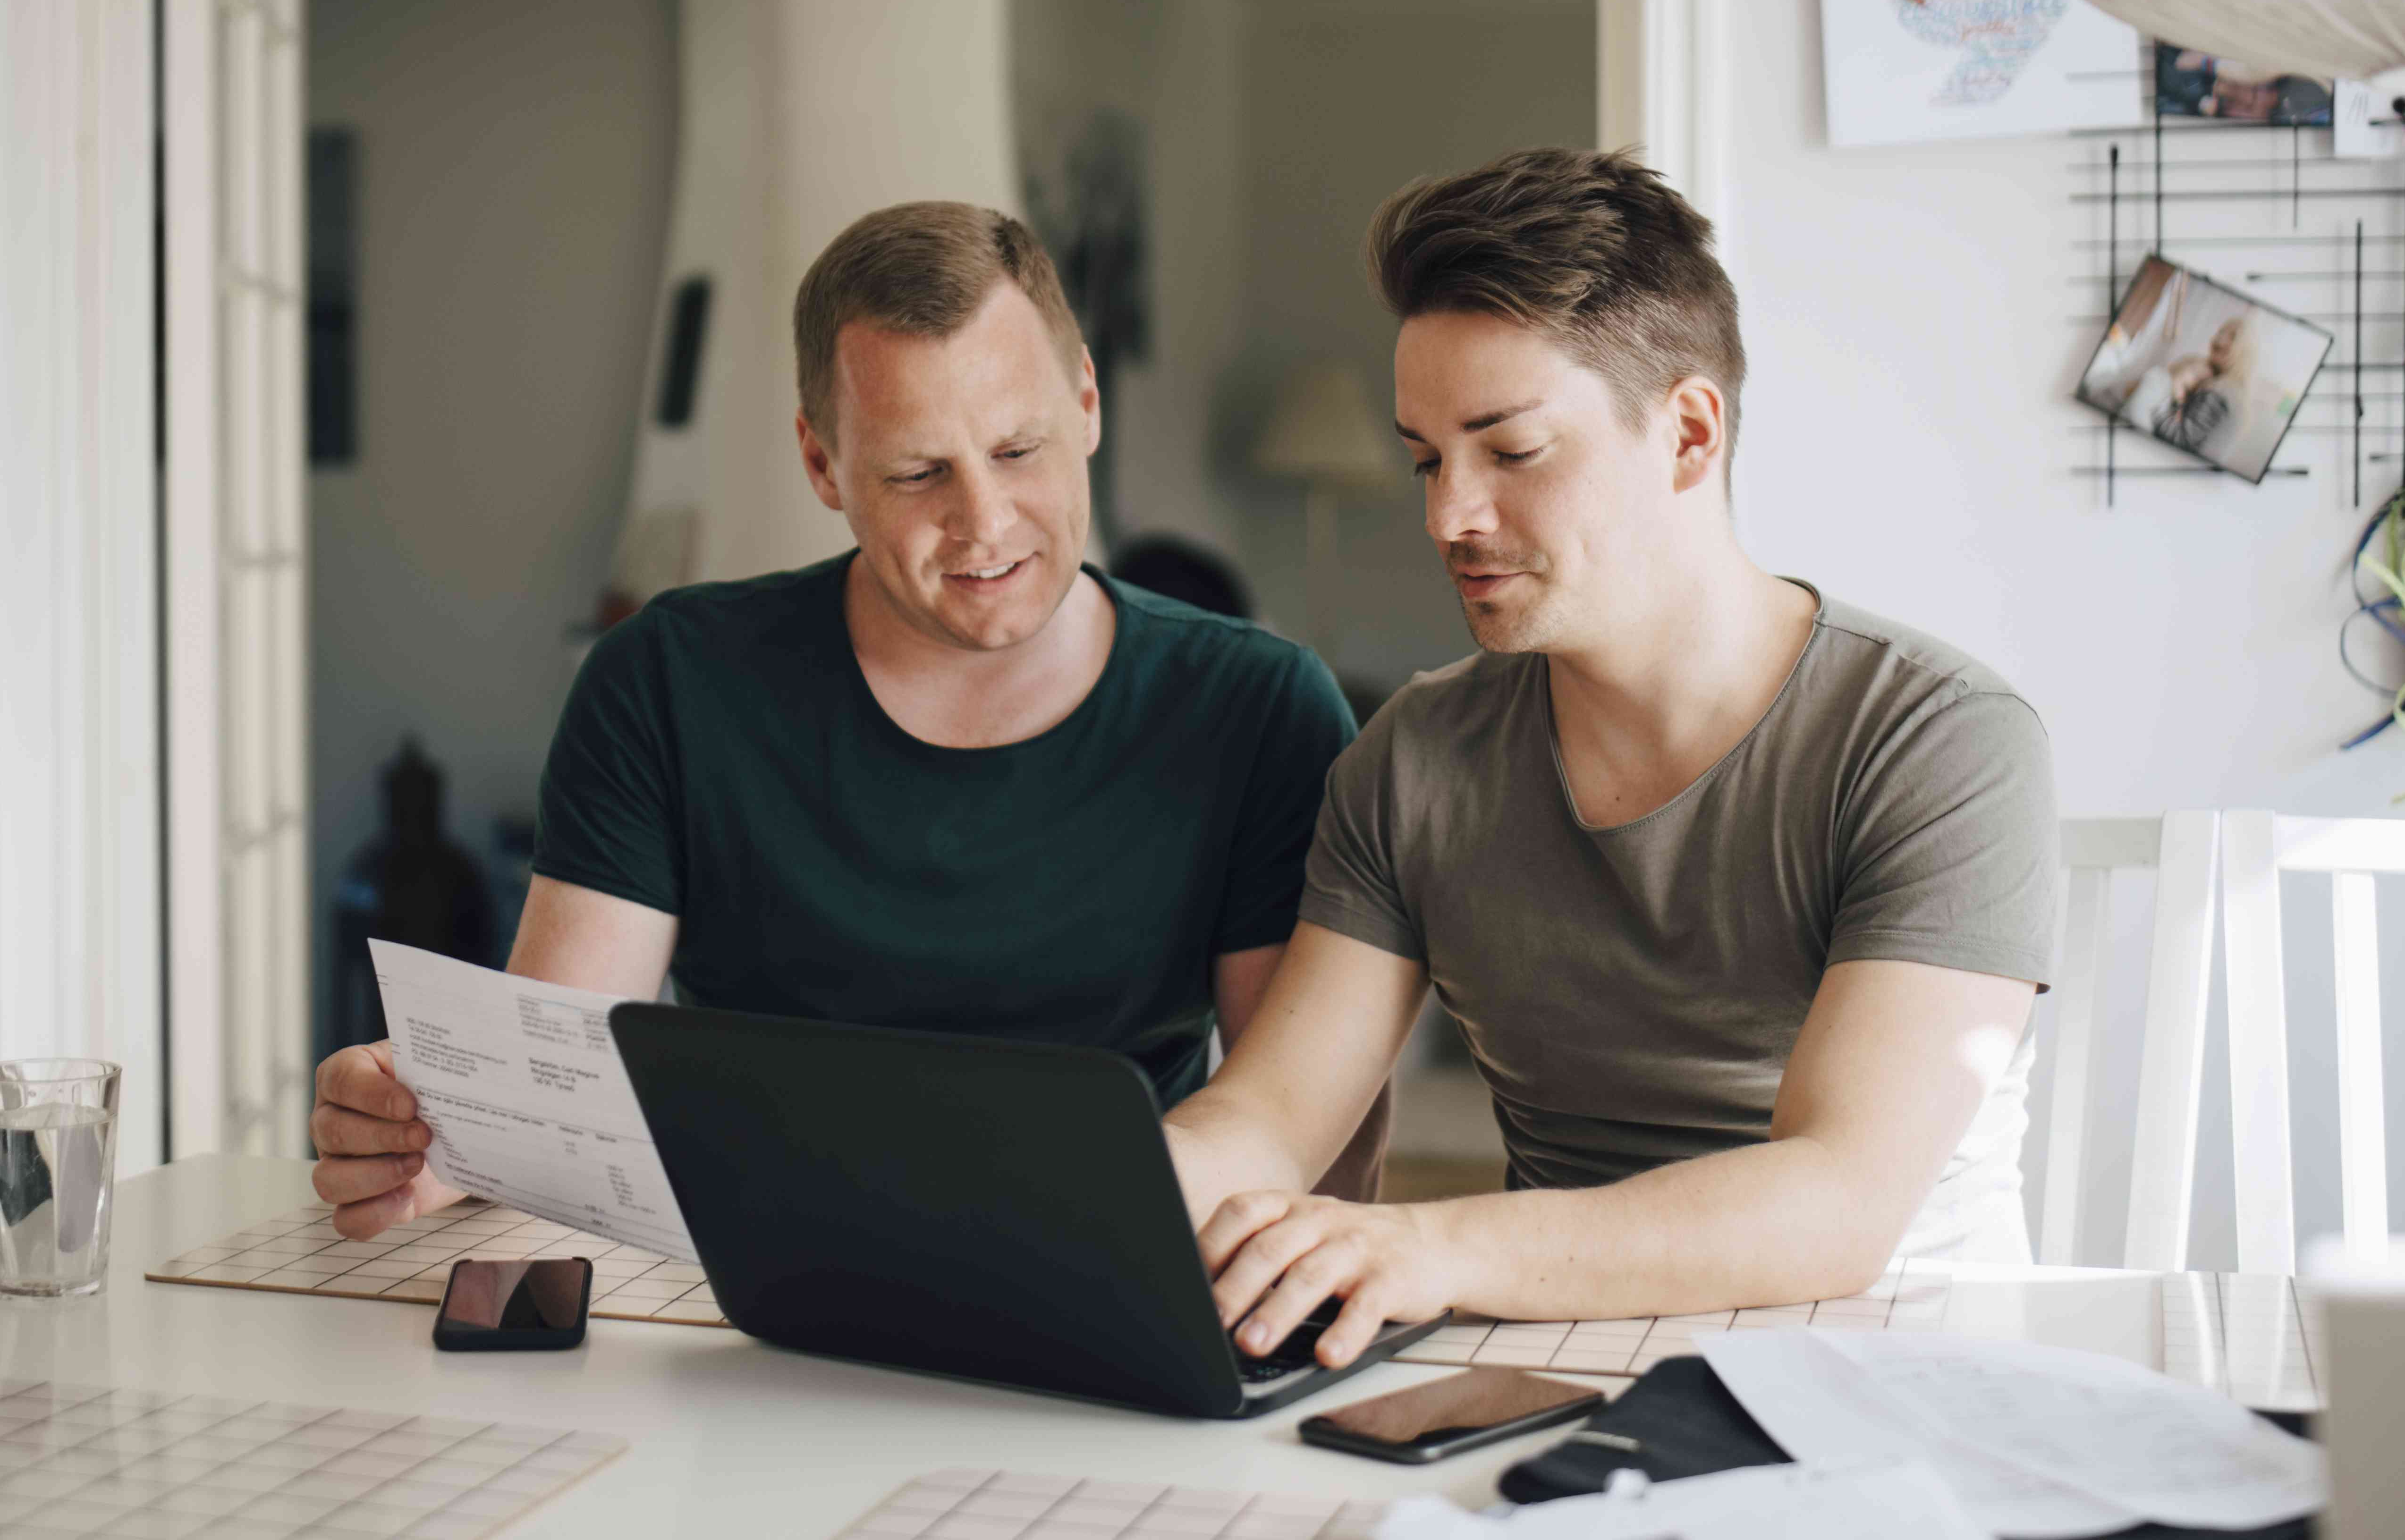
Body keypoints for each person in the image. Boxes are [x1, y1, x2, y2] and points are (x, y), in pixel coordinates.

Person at [310, 202, 1384, 1238]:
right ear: (822, 462)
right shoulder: (669, 681)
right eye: (919, 472)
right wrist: (427, 1138)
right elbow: (550, 1099)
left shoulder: (1258, 709)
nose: (985, 522)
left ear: (1089, 403)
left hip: (1109, 1262)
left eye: (1019, 449)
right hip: (745, 1290)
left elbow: (1303, 1150)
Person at [1163, 147, 2059, 1372]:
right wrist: (1077, 1207)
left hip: (1906, 1360)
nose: (1446, 517)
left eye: (1510, 452)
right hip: (1548, 1359)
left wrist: (1430, 1245)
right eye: (1426, 457)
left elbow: (1838, 1203)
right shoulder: (1413, 758)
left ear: (1688, 432)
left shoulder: (1938, 738)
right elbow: (1269, 1116)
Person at [2156, 315, 2251, 459]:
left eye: (2233, 338)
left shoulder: (2221, 391)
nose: (2220, 340)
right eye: (2221, 332)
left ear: (2245, 352)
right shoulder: (2228, 388)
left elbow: (2179, 439)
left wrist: (2178, 386)